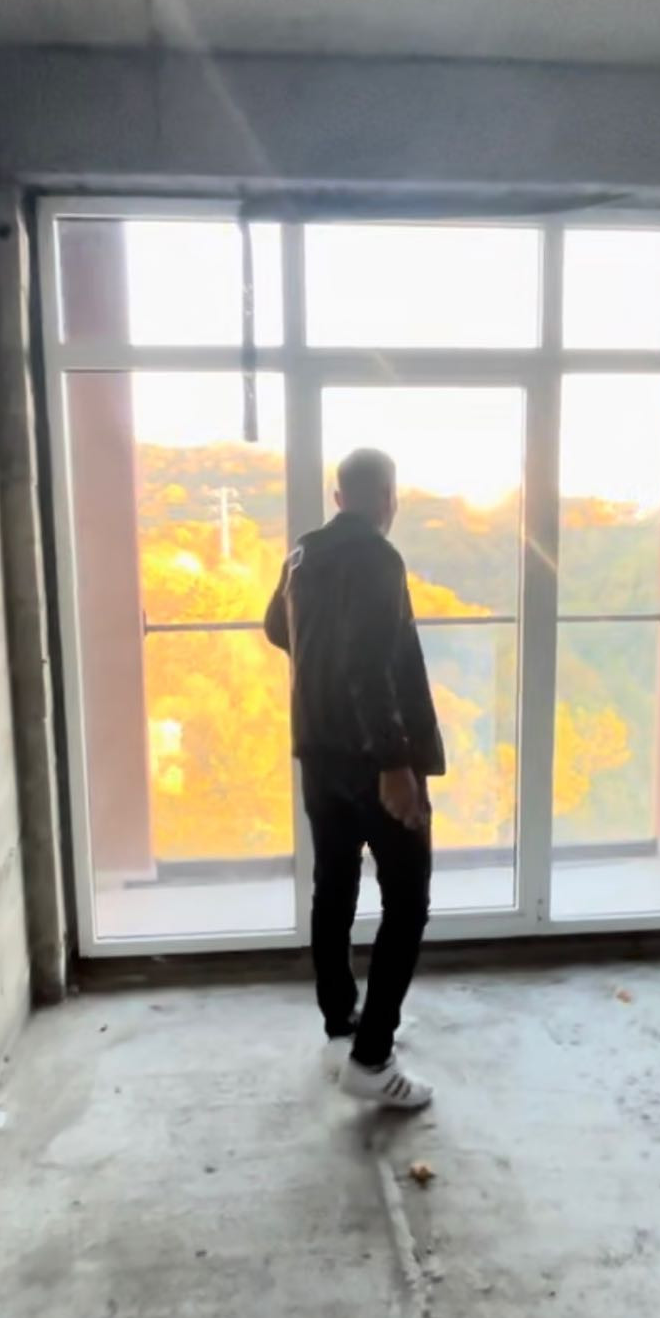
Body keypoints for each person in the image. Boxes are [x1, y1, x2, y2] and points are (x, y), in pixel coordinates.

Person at [264, 448, 444, 1111]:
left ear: (338, 498)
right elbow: (370, 665)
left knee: (334, 886)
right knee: (407, 902)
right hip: (374, 759)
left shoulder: (303, 553)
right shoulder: (379, 557)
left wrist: (322, 665)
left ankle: (343, 1022)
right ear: (389, 497)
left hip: (319, 752)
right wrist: (396, 765)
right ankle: (372, 1059)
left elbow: (275, 627)